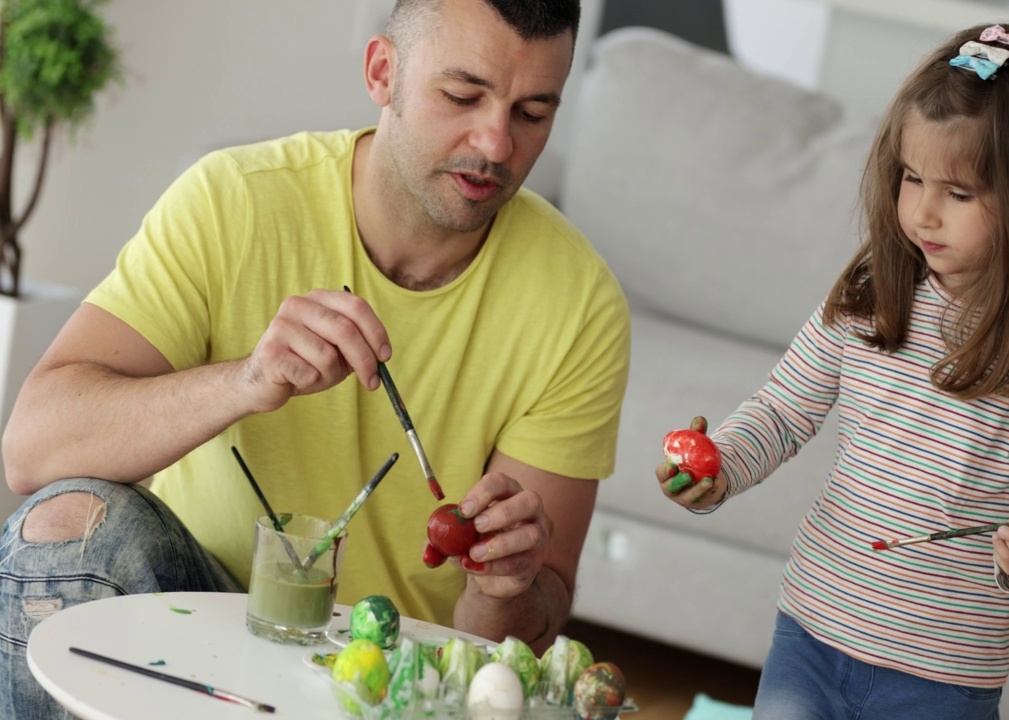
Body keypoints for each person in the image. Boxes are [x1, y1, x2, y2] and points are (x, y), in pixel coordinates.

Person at [0, 0, 629, 716]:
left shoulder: (579, 303)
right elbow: (30, 449)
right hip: (190, 618)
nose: (495, 143)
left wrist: (507, 585)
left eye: (533, 113)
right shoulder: (233, 201)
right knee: (64, 524)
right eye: (462, 95)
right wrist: (245, 381)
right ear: (382, 72)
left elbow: (510, 643)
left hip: (393, 681)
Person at [657, 13, 1009, 720]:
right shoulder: (875, 291)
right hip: (810, 632)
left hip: (943, 678)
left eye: (958, 194)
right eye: (911, 178)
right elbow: (783, 412)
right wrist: (719, 469)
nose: (924, 213)